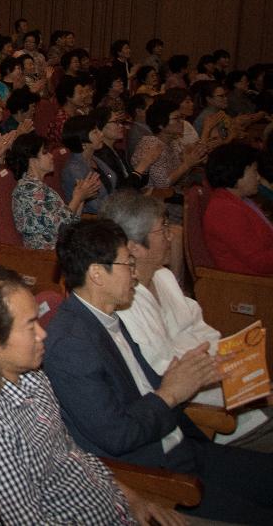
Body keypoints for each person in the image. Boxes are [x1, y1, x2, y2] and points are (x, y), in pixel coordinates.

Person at [45, 219, 273, 523]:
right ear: (97, 274)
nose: (136, 274)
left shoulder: (108, 317)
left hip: (180, 444)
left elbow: (145, 387)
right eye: (128, 263)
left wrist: (193, 376)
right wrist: (170, 392)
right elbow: (118, 435)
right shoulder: (71, 345)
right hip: (156, 473)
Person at [0, 266, 174, 526]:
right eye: (30, 327)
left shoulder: (32, 376)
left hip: (117, 508)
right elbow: (30, 522)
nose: (43, 334)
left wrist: (132, 498)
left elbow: (72, 453)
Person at [103, 190, 273, 449]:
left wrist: (239, 364)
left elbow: (200, 329)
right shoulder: (123, 304)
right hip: (205, 409)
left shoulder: (163, 277)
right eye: (162, 230)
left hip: (227, 382)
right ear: (134, 247)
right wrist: (232, 378)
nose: (171, 236)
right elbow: (164, 374)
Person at [7, 132, 100, 249]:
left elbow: (71, 221)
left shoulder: (38, 186)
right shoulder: (27, 190)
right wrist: (77, 197)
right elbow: (60, 226)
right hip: (45, 255)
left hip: (62, 246)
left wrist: (81, 197)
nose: (51, 156)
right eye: (45, 153)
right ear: (32, 160)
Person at [202, 142, 273, 275]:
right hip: (251, 286)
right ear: (237, 173)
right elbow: (259, 262)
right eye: (254, 171)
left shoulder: (239, 200)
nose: (258, 178)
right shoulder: (224, 211)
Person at [61, 114, 116, 213]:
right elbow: (94, 206)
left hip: (111, 211)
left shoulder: (94, 158)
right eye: (95, 132)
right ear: (83, 143)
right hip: (93, 220)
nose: (101, 134)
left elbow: (113, 185)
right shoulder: (73, 170)